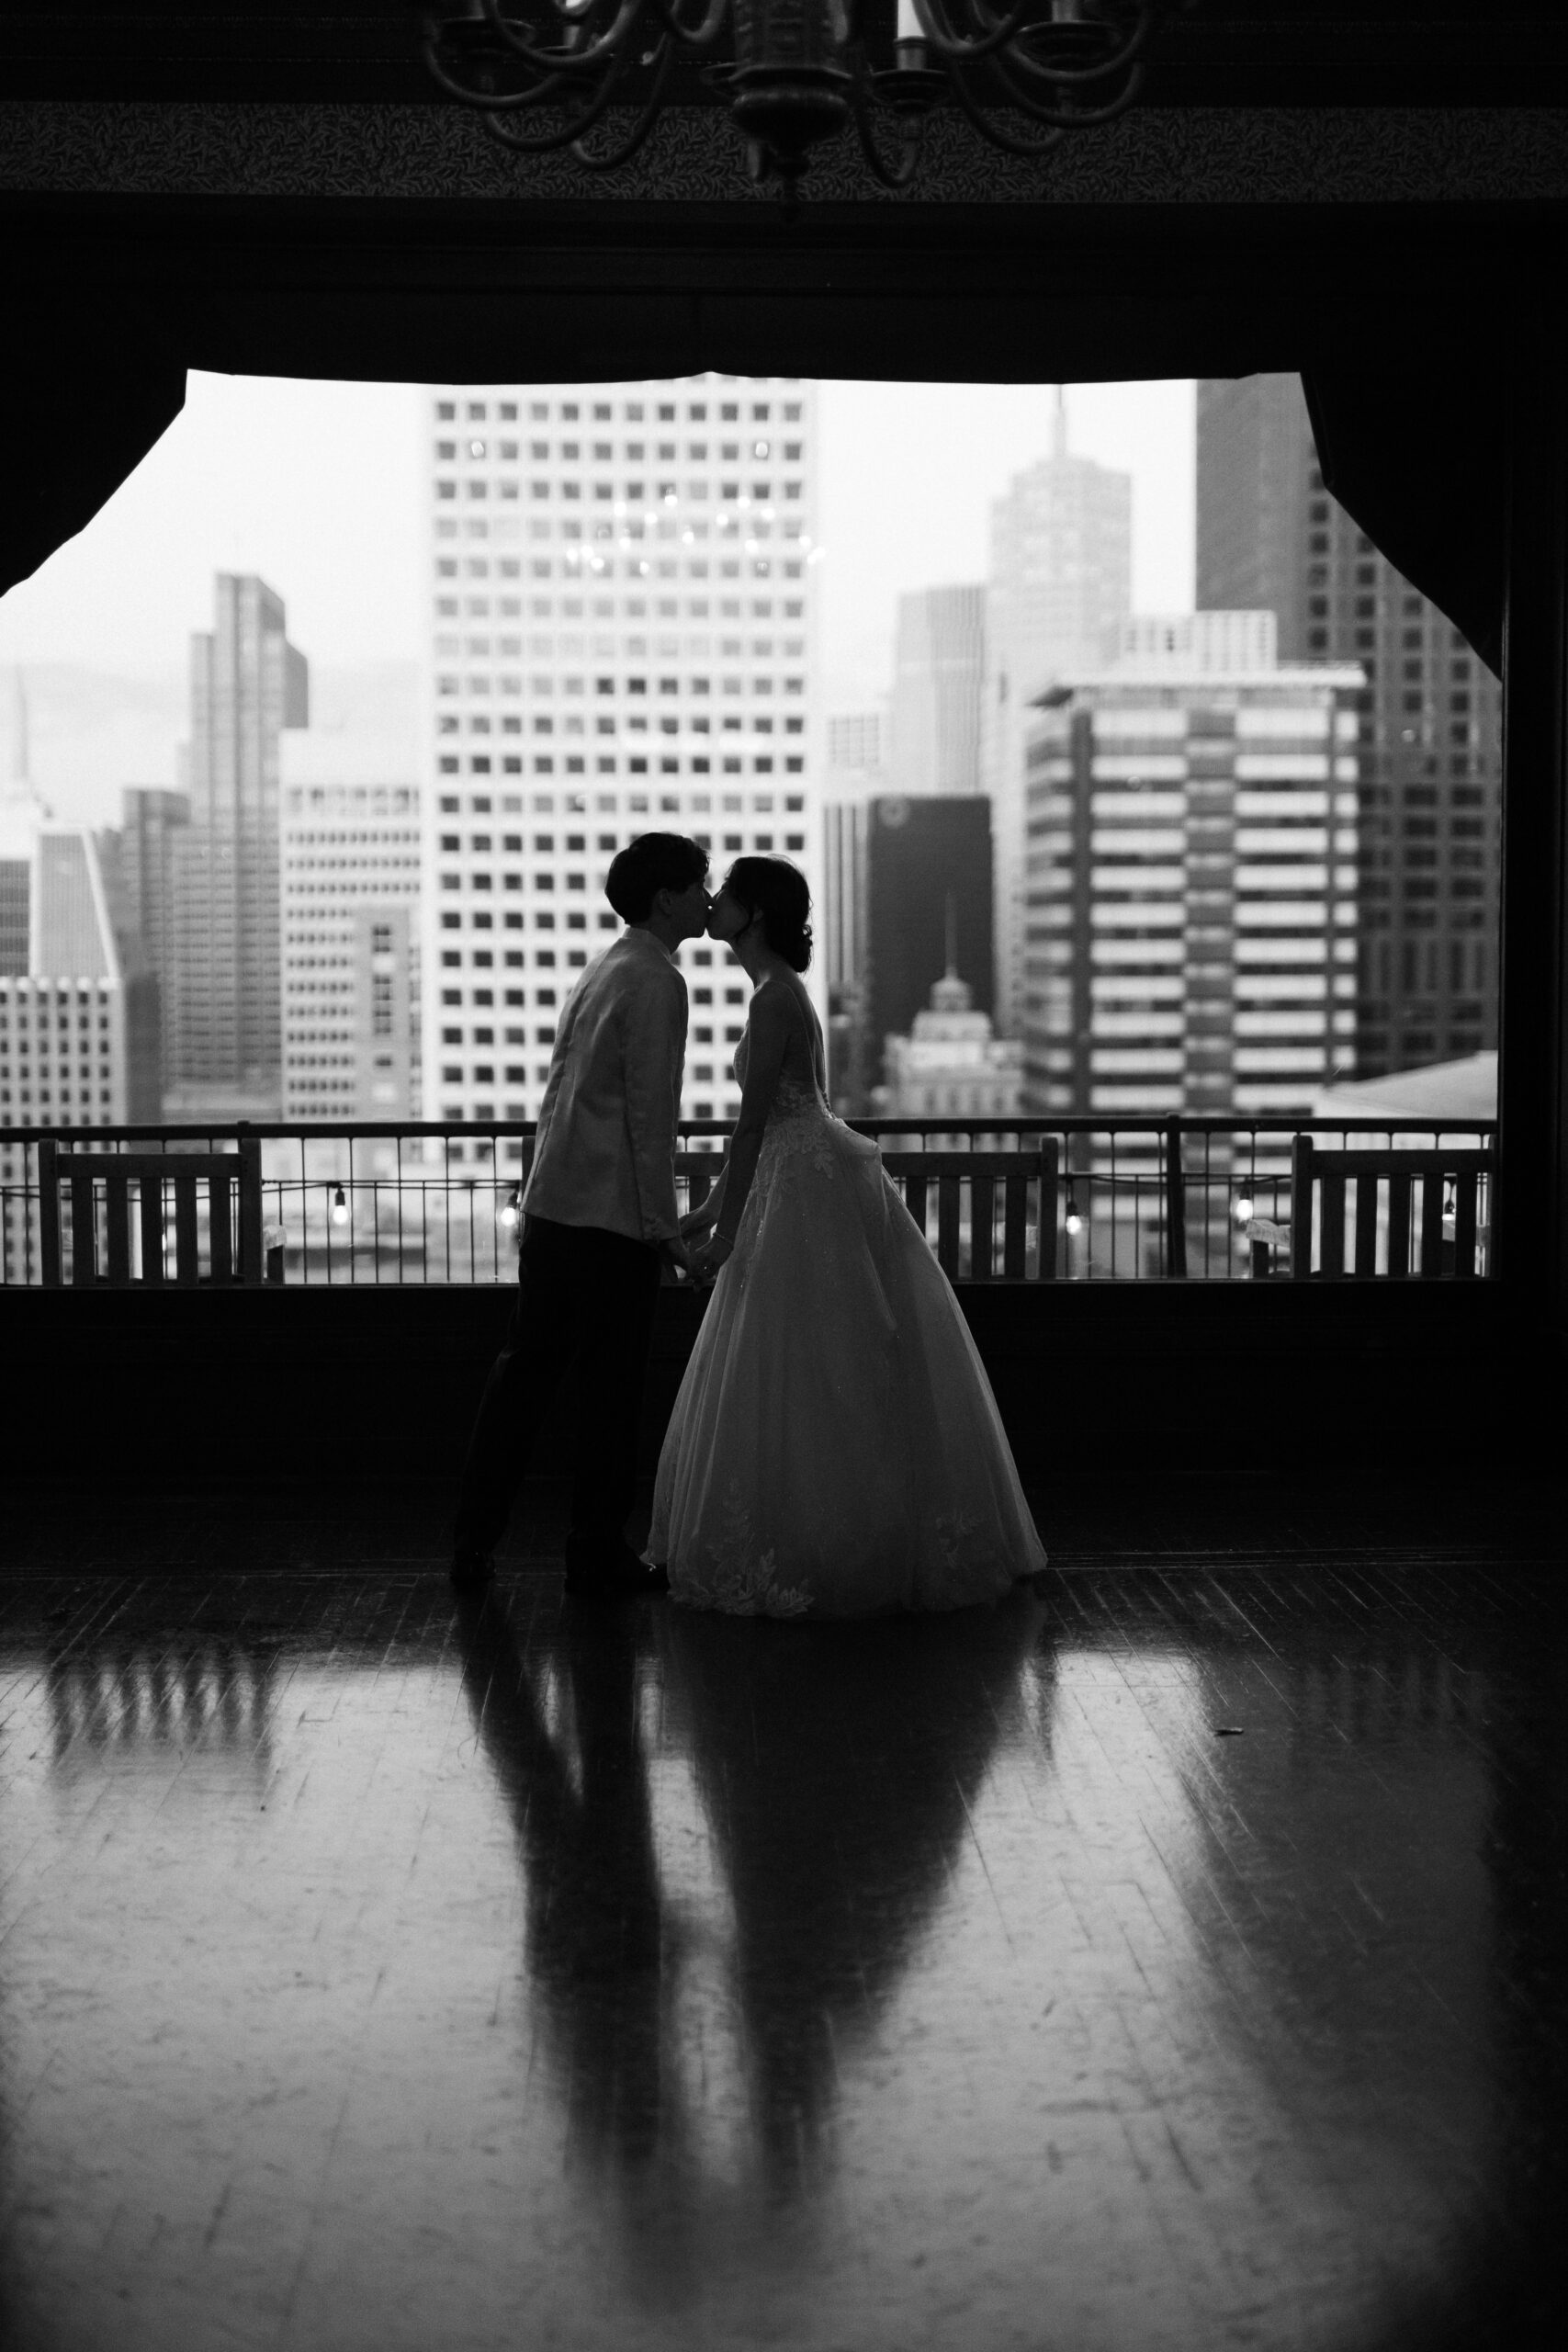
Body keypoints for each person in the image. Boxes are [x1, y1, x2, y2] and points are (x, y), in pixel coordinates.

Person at [648, 856, 1047, 1617]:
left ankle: (830, 1543)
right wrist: (709, 1213)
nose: (715, 903)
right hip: (803, 1176)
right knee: (829, 1360)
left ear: (753, 913)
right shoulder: (780, 992)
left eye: (726, 892)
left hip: (797, 1186)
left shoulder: (772, 999)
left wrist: (723, 1232)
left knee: (809, 1362)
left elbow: (756, 1121)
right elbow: (764, 1127)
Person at [450, 832, 711, 1598]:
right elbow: (649, 1118)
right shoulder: (657, 981)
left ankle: (474, 1539)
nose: (706, 897)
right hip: (611, 1223)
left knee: (522, 1380)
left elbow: (562, 1095)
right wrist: (666, 1230)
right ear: (666, 898)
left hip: (555, 1209)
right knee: (610, 1394)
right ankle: (595, 1550)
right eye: (698, 884)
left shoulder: (605, 967)